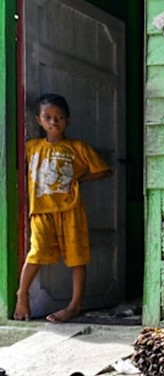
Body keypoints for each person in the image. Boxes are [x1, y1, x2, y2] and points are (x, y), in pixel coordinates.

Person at [13, 93, 112, 322]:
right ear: (38, 120)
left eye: (59, 117)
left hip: (70, 211)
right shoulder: (32, 147)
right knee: (37, 252)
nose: (53, 122)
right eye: (47, 117)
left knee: (77, 257)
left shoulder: (77, 147)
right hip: (41, 211)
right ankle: (22, 295)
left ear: (68, 120)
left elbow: (105, 170)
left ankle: (75, 305)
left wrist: (78, 179)